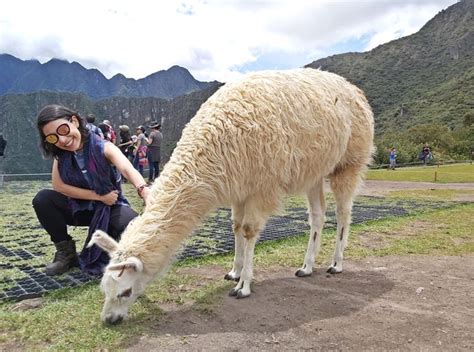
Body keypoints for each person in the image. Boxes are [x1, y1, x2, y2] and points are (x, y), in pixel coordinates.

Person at [32, 105, 150, 276]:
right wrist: (99, 196)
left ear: (73, 121)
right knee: (43, 199)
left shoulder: (103, 147)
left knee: (132, 226)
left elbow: (127, 169)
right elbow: (59, 186)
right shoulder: (61, 155)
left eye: (63, 130)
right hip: (81, 207)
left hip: (110, 207)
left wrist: (144, 190)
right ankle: (66, 252)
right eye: (53, 138)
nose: (62, 140)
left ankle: (113, 248)